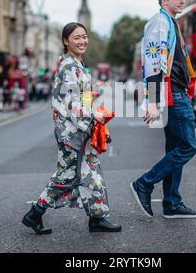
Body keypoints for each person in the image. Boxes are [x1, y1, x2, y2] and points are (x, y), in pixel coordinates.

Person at [22, 22, 122, 234]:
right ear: (66, 41)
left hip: (81, 129)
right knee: (67, 176)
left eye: (84, 36)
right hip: (71, 132)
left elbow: (81, 97)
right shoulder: (68, 66)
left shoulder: (78, 65)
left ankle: (97, 218)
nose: (82, 41)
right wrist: (91, 114)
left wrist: (94, 102)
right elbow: (69, 102)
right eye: (76, 37)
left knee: (91, 171)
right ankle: (35, 213)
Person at [130, 0, 196, 219]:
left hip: (177, 92)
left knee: (175, 147)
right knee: (188, 146)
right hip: (172, 93)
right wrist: (152, 101)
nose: (182, 0)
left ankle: (171, 203)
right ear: (164, 1)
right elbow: (152, 63)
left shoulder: (169, 22)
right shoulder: (160, 23)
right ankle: (145, 183)